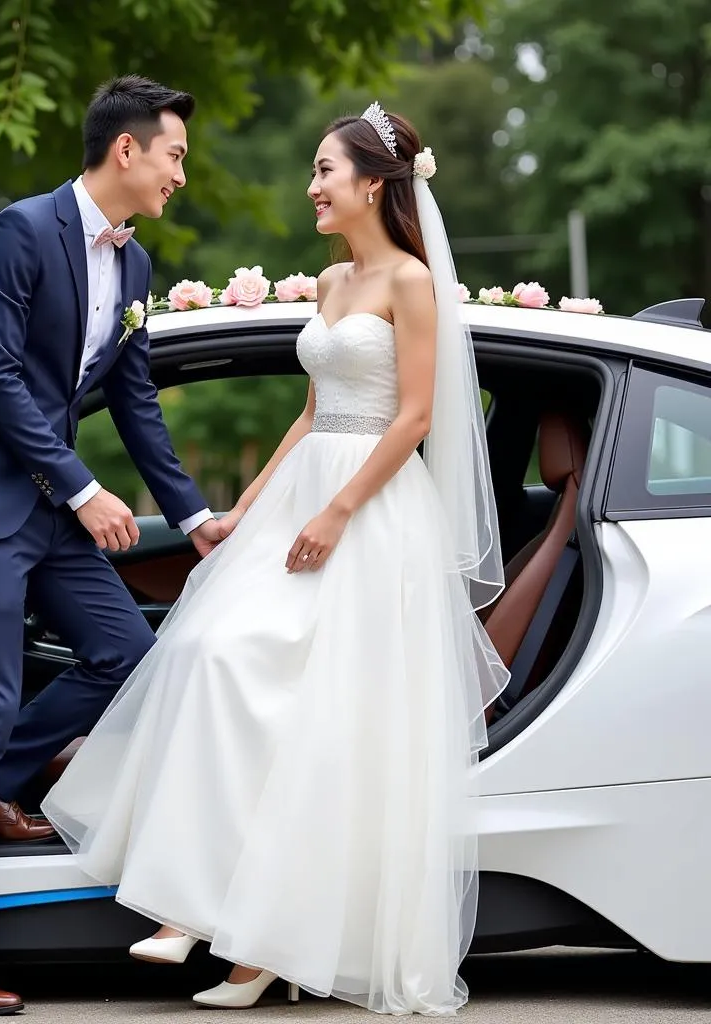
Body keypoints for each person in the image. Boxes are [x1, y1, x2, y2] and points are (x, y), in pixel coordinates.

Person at [41, 103, 511, 1014]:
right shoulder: (335, 283)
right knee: (206, 657)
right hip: (305, 493)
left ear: (372, 182)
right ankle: (191, 904)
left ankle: (264, 949)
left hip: (372, 509)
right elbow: (310, 410)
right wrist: (250, 503)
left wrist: (336, 511)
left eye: (324, 171)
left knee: (320, 724)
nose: (312, 188)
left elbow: (413, 416)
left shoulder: (412, 283)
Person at [0, 75, 224, 1015]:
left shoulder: (137, 266)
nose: (180, 175)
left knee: (129, 651)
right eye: (174, 155)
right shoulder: (21, 231)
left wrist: (195, 517)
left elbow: (135, 397)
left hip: (45, 509)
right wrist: (82, 490)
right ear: (126, 150)